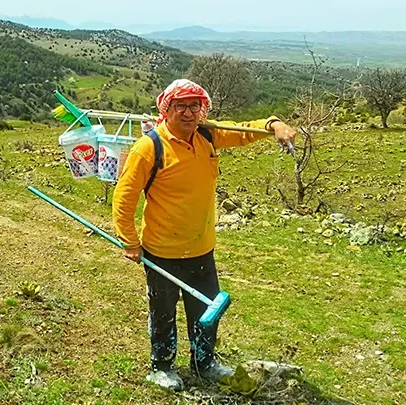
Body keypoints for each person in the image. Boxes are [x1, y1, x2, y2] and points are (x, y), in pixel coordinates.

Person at [111, 79, 297, 391]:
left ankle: (204, 362)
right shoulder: (149, 148)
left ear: (202, 109)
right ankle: (162, 366)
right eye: (179, 106)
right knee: (163, 314)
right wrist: (130, 240)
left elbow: (244, 130)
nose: (187, 112)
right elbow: (124, 198)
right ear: (166, 109)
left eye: (194, 106)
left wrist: (274, 124)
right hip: (162, 252)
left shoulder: (207, 135)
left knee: (206, 311)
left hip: (201, 248)